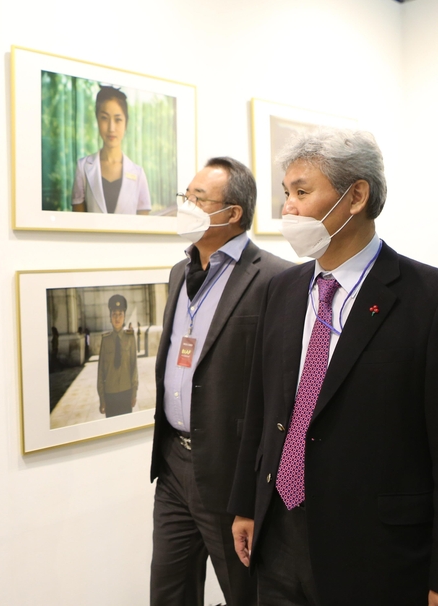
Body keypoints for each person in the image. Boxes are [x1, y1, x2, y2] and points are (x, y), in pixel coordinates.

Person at [228, 129, 438, 606]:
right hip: (279, 535)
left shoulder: (437, 302)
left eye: (302, 192)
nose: (287, 208)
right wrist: (245, 504)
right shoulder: (283, 290)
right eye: (285, 193)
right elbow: (262, 406)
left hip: (375, 552)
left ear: (355, 197)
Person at [150, 157, 291, 606]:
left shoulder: (276, 278)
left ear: (232, 214)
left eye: (198, 199)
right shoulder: (180, 271)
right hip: (173, 462)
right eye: (185, 196)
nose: (186, 206)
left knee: (244, 591)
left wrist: (253, 491)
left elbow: (279, 392)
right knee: (168, 590)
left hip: (232, 471)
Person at [71, 86, 151, 215]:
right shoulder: (83, 167)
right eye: (104, 118)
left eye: (118, 119)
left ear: (126, 123)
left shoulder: (138, 174)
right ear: (97, 119)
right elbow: (77, 222)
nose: (111, 128)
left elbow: (144, 226)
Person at [97, 294, 139, 417]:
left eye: (120, 314)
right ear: (110, 317)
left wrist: (134, 393)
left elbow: (134, 367)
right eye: (114, 314)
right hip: (110, 394)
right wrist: (102, 398)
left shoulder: (130, 338)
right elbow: (101, 372)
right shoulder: (106, 340)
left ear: (124, 317)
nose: (117, 318)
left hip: (126, 392)